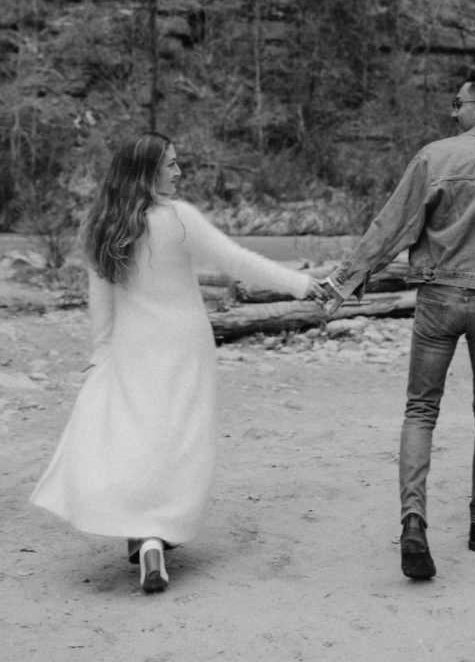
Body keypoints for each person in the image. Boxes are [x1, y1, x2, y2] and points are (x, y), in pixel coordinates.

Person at [30, 132, 326, 593]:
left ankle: (143, 534)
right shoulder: (177, 219)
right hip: (185, 343)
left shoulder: (99, 224)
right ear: (146, 171)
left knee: (134, 436)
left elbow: (100, 303)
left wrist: (100, 352)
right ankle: (156, 534)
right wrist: (304, 285)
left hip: (132, 345)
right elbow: (238, 262)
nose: (179, 172)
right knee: (179, 438)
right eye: (170, 164)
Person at [323, 70, 475, 580]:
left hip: (437, 297)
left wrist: (347, 280)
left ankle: (413, 523)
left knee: (421, 410)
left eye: (459, 103)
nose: (452, 111)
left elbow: (393, 224)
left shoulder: (435, 156)